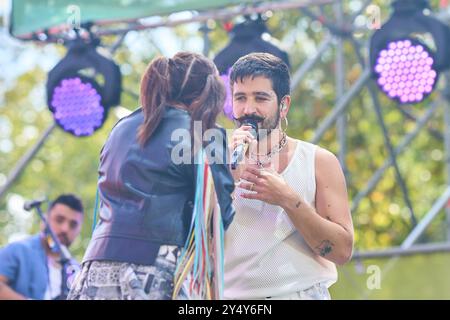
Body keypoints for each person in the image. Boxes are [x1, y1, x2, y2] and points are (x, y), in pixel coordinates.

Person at [67, 51, 235, 300]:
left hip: (96, 267)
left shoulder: (122, 127)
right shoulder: (201, 131)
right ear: (209, 93)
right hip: (155, 265)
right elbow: (220, 214)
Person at [224, 52, 354, 300]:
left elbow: (342, 251)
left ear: (284, 105)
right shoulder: (212, 161)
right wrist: (223, 175)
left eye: (261, 98)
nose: (248, 109)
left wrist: (288, 199)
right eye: (240, 98)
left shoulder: (318, 161)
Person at [0, 194, 84, 300]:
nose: (65, 229)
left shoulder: (76, 270)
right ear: (44, 220)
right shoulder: (18, 251)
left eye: (73, 225)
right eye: (59, 220)